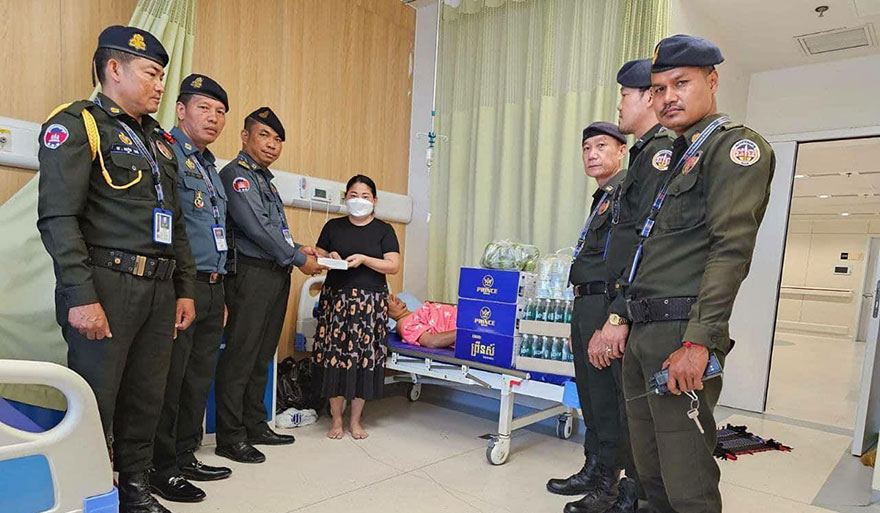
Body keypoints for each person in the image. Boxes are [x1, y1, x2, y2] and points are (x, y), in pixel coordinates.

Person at [37, 25, 196, 513]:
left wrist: (185, 288)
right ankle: (87, 494)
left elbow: (176, 222)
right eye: (151, 73)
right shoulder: (78, 125)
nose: (160, 85)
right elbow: (58, 218)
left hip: (158, 288)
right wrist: (81, 295)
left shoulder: (159, 142)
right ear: (114, 69)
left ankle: (134, 490)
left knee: (146, 397)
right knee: (96, 399)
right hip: (106, 284)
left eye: (163, 76)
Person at [621, 34, 775, 513]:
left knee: (686, 475)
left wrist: (699, 341)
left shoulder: (733, 148)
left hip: (680, 332)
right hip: (644, 330)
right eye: (659, 89)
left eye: (681, 83)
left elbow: (731, 249)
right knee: (649, 467)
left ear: (712, 81)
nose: (668, 97)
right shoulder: (675, 157)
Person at [215, 107, 324, 464]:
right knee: (241, 356)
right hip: (250, 275)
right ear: (244, 136)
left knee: (262, 356)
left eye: (277, 139)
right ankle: (230, 437)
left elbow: (274, 231)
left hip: (274, 273)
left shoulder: (266, 181)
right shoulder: (237, 176)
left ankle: (254, 424)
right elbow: (256, 229)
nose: (272, 144)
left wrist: (300, 249)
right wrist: (298, 259)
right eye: (264, 135)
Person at [150, 74, 232, 504]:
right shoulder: (165, 153)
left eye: (220, 112)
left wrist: (220, 292)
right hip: (180, 285)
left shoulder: (209, 166)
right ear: (181, 110)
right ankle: (160, 465)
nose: (213, 118)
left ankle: (185, 454)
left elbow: (216, 230)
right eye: (204, 108)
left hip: (212, 285)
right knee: (171, 379)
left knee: (198, 378)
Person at [546, 122, 633, 513]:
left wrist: (612, 319)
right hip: (586, 304)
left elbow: (626, 259)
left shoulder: (626, 192)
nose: (592, 154)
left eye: (601, 146)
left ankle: (607, 487)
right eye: (586, 148)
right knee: (590, 395)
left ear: (622, 151)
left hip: (605, 304)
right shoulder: (603, 197)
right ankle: (591, 468)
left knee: (607, 399)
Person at [313, 175, 401, 440]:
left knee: (363, 359)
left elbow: (393, 265)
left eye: (365, 196)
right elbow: (317, 255)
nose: (358, 200)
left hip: (370, 304)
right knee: (334, 358)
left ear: (375, 200)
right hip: (336, 301)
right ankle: (336, 419)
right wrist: (330, 256)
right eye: (353, 195)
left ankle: (355, 420)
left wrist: (364, 259)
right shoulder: (333, 227)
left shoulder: (384, 230)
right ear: (345, 198)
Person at [388, 294, 456, 348]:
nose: (393, 297)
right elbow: (431, 341)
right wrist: (461, 332)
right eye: (388, 299)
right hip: (460, 326)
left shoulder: (414, 314)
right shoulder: (405, 324)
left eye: (391, 295)